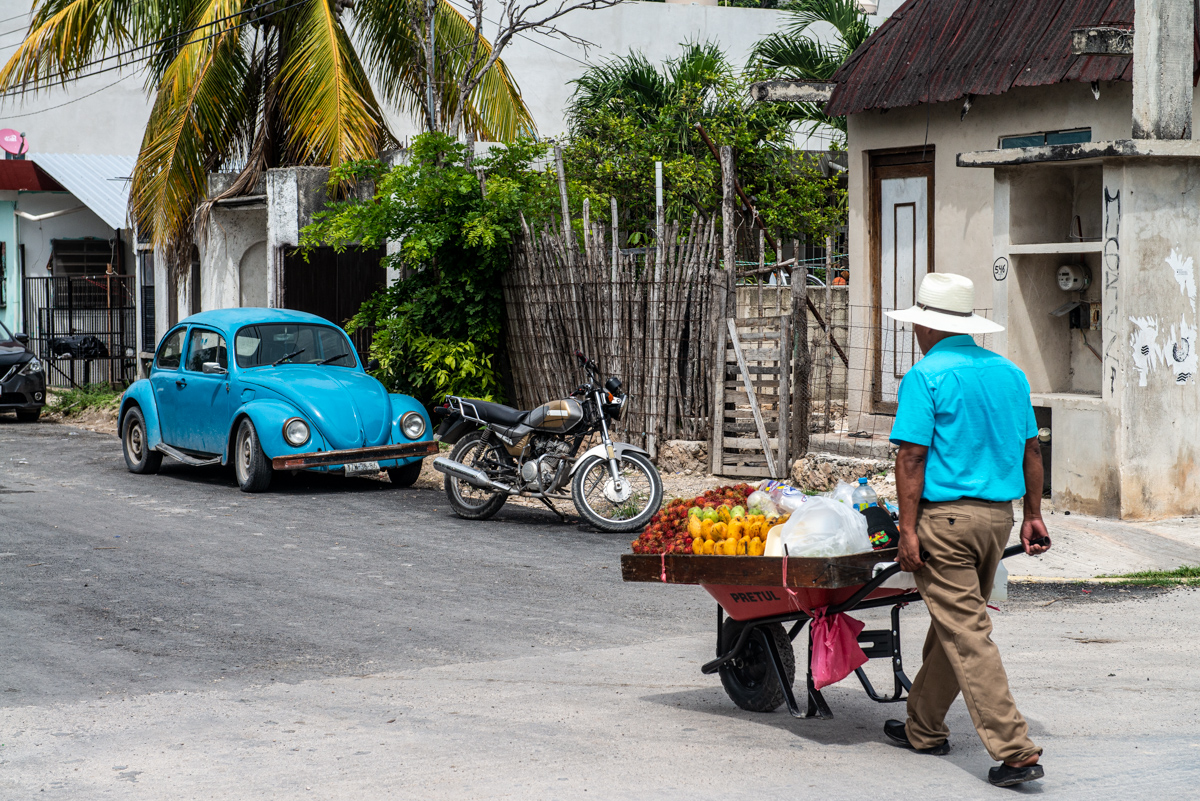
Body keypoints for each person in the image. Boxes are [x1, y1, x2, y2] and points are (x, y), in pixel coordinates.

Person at [881, 272, 1051, 788]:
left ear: (925, 327)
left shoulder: (925, 376)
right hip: (995, 519)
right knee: (954, 627)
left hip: (946, 521)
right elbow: (1032, 450)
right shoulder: (1009, 374)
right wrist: (1033, 514)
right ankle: (923, 727)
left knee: (967, 634)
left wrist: (907, 531)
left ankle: (1015, 750)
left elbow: (912, 456)